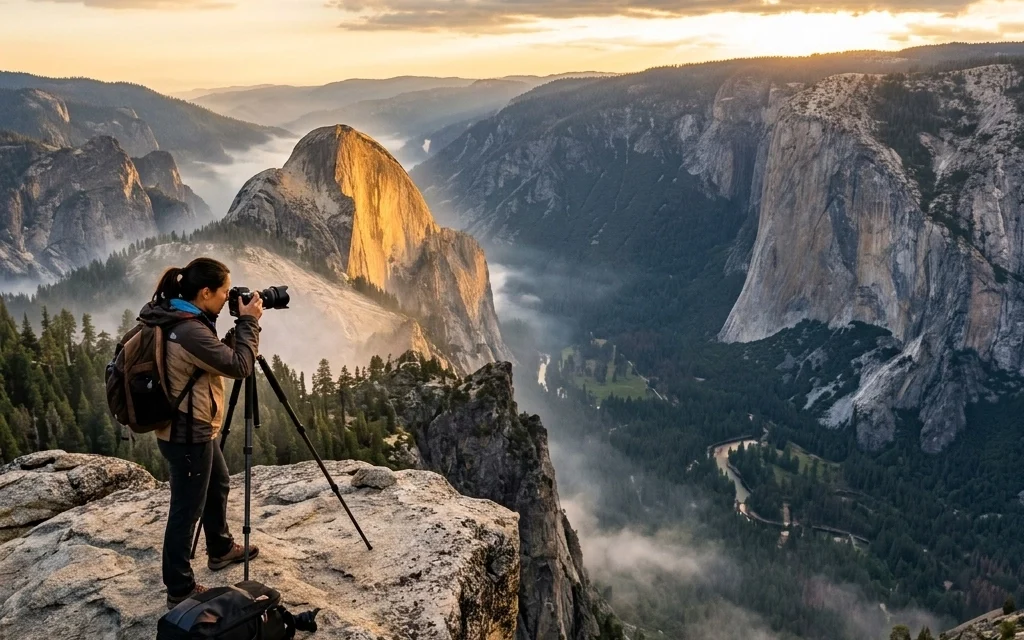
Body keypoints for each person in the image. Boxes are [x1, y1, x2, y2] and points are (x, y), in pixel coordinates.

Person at [140, 256, 264, 609]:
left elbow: (212, 356)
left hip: (192, 426)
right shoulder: (189, 328)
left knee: (218, 482)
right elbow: (239, 365)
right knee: (185, 510)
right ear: (205, 292)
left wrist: (237, 329)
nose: (228, 298)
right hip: (186, 433)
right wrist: (250, 324)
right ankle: (179, 587)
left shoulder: (179, 314)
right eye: (224, 293)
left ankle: (221, 547)